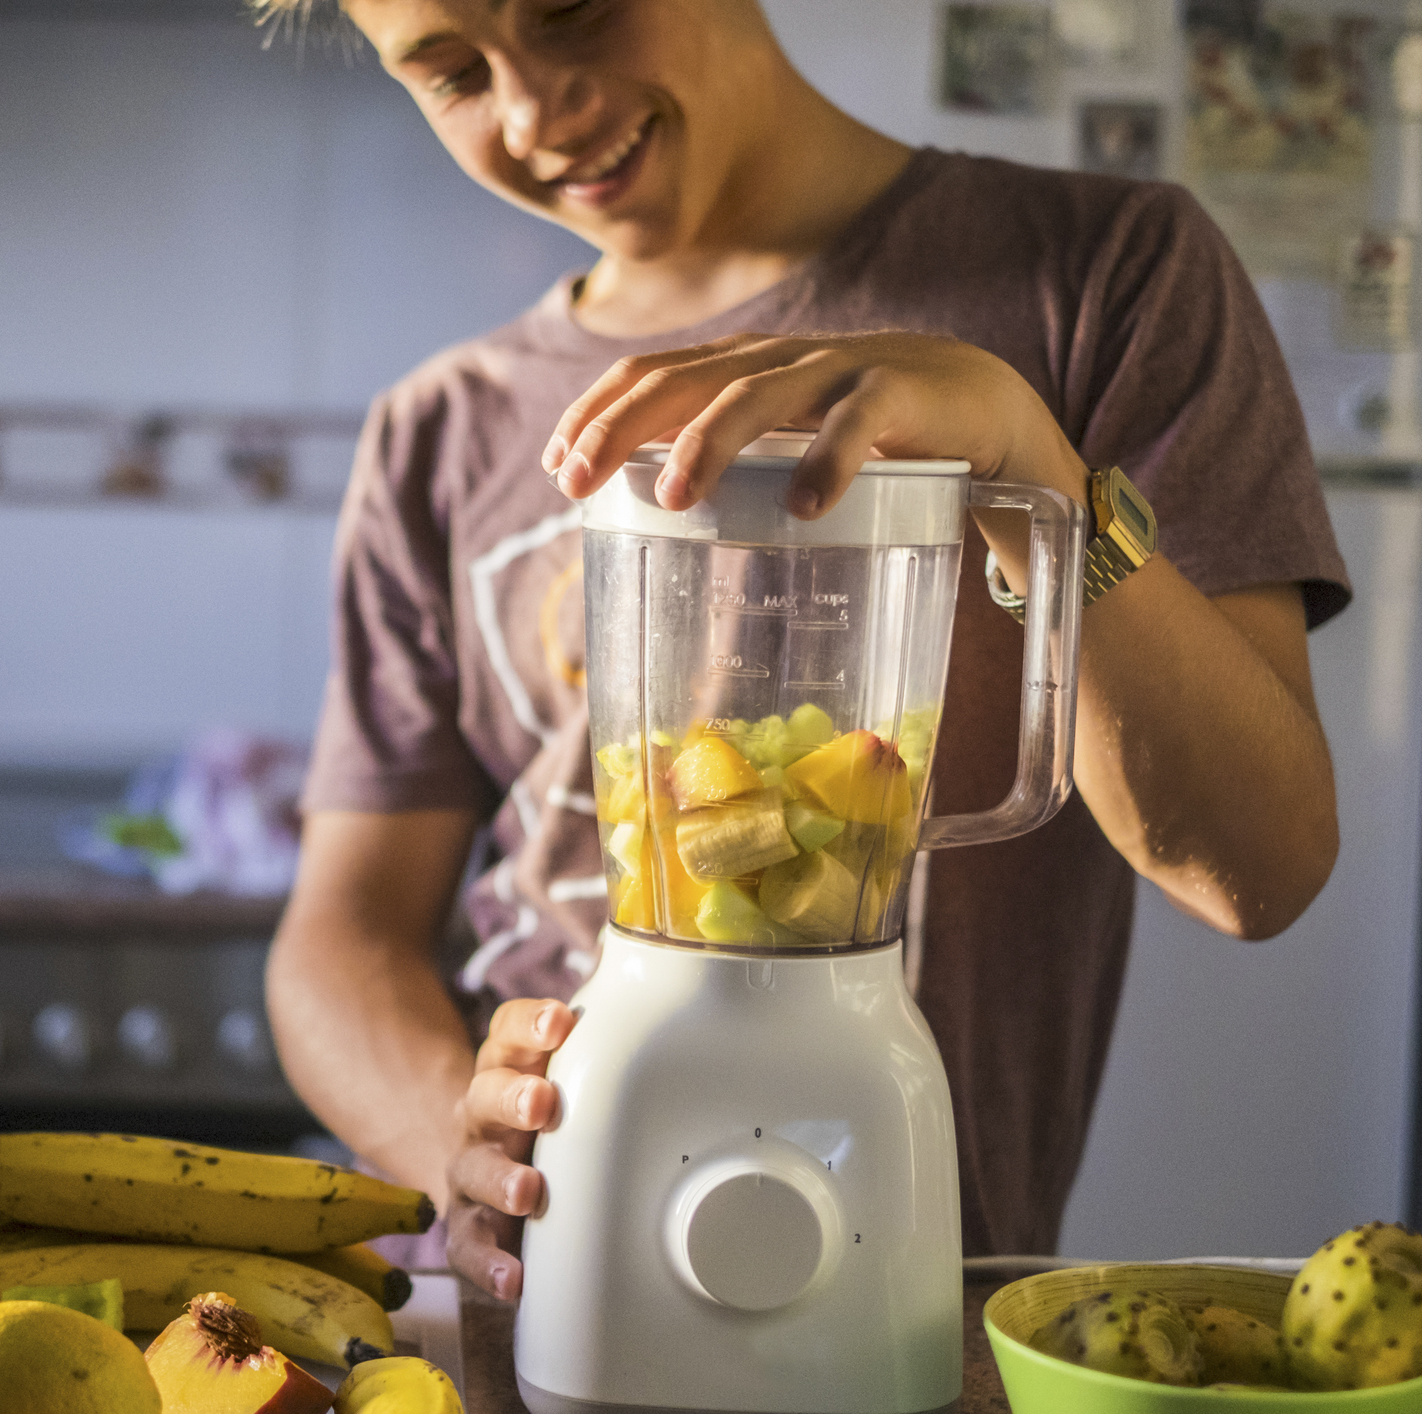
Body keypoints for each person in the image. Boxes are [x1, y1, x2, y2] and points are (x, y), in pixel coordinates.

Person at [259, 0, 1348, 1299]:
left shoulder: (1103, 274)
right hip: (533, 1287)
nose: (535, 114)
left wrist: (1030, 466)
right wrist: (451, 1132)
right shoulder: (439, 428)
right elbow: (341, 936)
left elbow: (1258, 868)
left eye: (573, 12)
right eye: (448, 71)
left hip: (928, 1297)